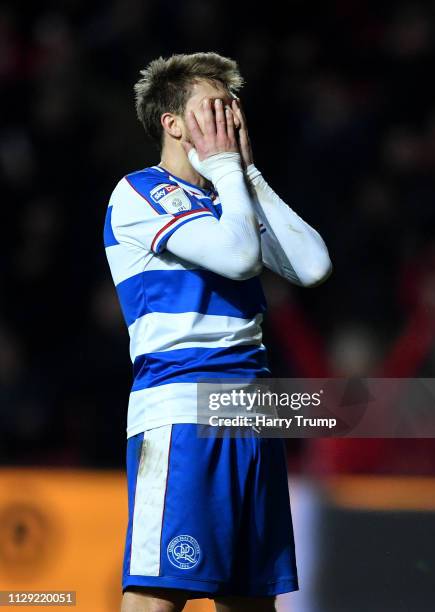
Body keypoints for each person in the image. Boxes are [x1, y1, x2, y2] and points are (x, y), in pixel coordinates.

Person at [104, 52, 332, 612]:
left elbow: (312, 266)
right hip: (183, 412)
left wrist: (246, 174)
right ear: (173, 123)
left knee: (251, 599)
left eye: (233, 109)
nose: (228, 121)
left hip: (253, 413)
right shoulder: (139, 192)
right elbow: (235, 256)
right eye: (213, 108)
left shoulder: (230, 197)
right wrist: (230, 170)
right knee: (160, 594)